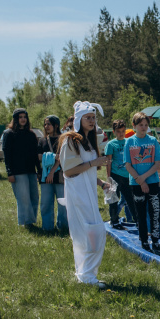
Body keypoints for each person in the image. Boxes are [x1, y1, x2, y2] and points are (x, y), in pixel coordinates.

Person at [59, 101, 112, 287]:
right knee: (93, 232)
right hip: (79, 195)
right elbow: (69, 171)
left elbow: (86, 171)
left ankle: (85, 274)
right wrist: (95, 162)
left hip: (87, 192)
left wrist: (100, 182)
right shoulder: (70, 140)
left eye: (93, 117)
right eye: (87, 118)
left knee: (89, 233)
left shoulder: (89, 141)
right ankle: (87, 275)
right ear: (79, 120)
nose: (91, 121)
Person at [124, 111, 160, 255]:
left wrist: (144, 179)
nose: (144, 127)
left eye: (146, 125)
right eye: (141, 125)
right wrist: (140, 181)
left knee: (154, 213)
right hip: (136, 184)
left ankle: (156, 241)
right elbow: (128, 165)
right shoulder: (129, 142)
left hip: (152, 182)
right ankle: (144, 241)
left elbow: (157, 164)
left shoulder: (153, 141)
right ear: (134, 126)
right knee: (140, 213)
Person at [4, 108, 40, 227]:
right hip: (18, 172)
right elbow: (7, 155)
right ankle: (26, 222)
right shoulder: (9, 134)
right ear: (15, 119)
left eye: (25, 117)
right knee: (23, 198)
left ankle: (31, 220)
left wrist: (39, 171)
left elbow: (35, 155)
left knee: (34, 197)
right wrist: (9, 172)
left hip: (31, 171)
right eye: (20, 117)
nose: (23, 119)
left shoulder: (31, 134)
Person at [104, 119, 137, 230]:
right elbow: (108, 162)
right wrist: (109, 178)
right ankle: (114, 221)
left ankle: (137, 220)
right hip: (115, 175)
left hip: (128, 175)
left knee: (131, 199)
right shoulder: (111, 144)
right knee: (114, 199)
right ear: (114, 132)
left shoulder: (129, 141)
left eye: (123, 131)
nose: (121, 133)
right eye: (118, 131)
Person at [38, 115, 68, 232]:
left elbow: (63, 157)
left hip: (59, 176)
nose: (46, 127)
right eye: (45, 124)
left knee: (62, 204)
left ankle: (63, 227)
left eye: (49, 124)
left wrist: (52, 171)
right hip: (45, 177)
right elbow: (39, 156)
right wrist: (52, 156)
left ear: (56, 125)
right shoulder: (42, 140)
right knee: (45, 203)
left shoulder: (63, 140)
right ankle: (47, 227)